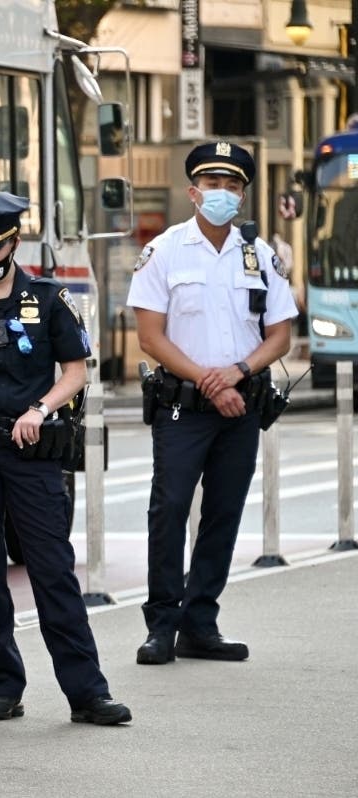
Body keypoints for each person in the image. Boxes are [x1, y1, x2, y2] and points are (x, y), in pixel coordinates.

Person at [0, 192, 132, 726]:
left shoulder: (49, 299)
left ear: (13, 243)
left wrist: (41, 407)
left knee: (53, 572)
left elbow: (75, 371)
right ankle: (3, 685)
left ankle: (87, 692)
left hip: (31, 453)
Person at [127, 141, 297, 665]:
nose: (222, 194)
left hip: (241, 406)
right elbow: (151, 337)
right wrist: (210, 381)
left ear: (243, 195)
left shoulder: (259, 253)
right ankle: (161, 625)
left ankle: (200, 623)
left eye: (233, 186)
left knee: (223, 513)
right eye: (213, 185)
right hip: (183, 408)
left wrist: (239, 373)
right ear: (192, 192)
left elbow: (280, 335)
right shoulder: (165, 250)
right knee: (170, 510)